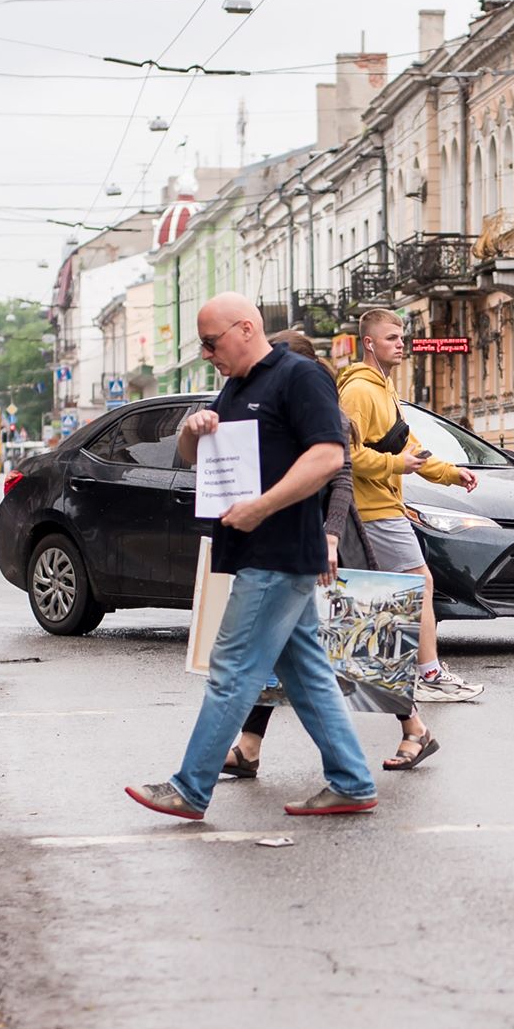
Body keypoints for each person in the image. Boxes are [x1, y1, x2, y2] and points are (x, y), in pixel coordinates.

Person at [126, 295, 379, 821]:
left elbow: (329, 456)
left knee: (233, 669)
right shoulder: (236, 386)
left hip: (278, 550)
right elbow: (193, 458)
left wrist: (262, 507)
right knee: (307, 674)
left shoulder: (300, 375)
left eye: (211, 342)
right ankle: (352, 782)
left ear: (245, 329)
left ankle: (190, 788)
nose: (206, 353)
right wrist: (192, 431)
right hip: (255, 550)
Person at [222, 331, 439, 778]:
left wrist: (331, 539)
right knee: (281, 643)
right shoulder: (280, 405)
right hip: (291, 540)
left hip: (329, 542)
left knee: (367, 642)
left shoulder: (321, 406)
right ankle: (249, 745)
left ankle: (414, 728)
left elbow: (340, 479)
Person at [337, 308, 483, 711]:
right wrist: (394, 465)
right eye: (391, 338)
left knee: (384, 594)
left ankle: (371, 675)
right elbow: (345, 453)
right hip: (373, 507)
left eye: (401, 337)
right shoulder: (358, 392)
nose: (401, 344)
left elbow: (410, 448)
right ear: (369, 343)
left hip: (385, 503)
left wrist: (451, 473)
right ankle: (428, 674)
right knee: (419, 584)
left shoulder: (385, 389)